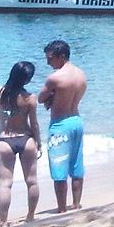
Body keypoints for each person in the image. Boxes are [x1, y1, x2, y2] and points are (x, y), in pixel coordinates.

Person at [38, 39, 87, 213]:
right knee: (76, 165)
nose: (48, 62)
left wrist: (51, 97)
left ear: (62, 56)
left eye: (50, 58)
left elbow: (40, 98)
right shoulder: (81, 74)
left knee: (59, 168)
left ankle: (61, 208)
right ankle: (76, 203)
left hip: (60, 124)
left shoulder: (55, 78)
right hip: (76, 121)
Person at [0, 61, 41, 226]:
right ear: (27, 80)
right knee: (32, 181)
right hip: (26, 139)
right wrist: (39, 143)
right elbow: (34, 124)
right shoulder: (30, 98)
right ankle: (30, 216)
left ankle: (3, 220)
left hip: (5, 140)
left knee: (5, 184)